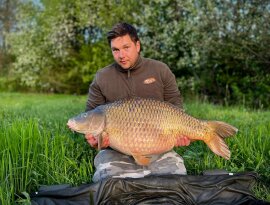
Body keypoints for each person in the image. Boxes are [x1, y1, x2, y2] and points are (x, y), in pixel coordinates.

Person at [85, 22, 190, 183]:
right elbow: (92, 118)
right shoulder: (102, 77)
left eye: (126, 47)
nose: (121, 55)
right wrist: (95, 141)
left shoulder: (161, 70)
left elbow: (176, 110)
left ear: (138, 45)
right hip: (116, 151)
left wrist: (180, 134)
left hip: (158, 148)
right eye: (116, 50)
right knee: (108, 184)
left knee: (175, 181)